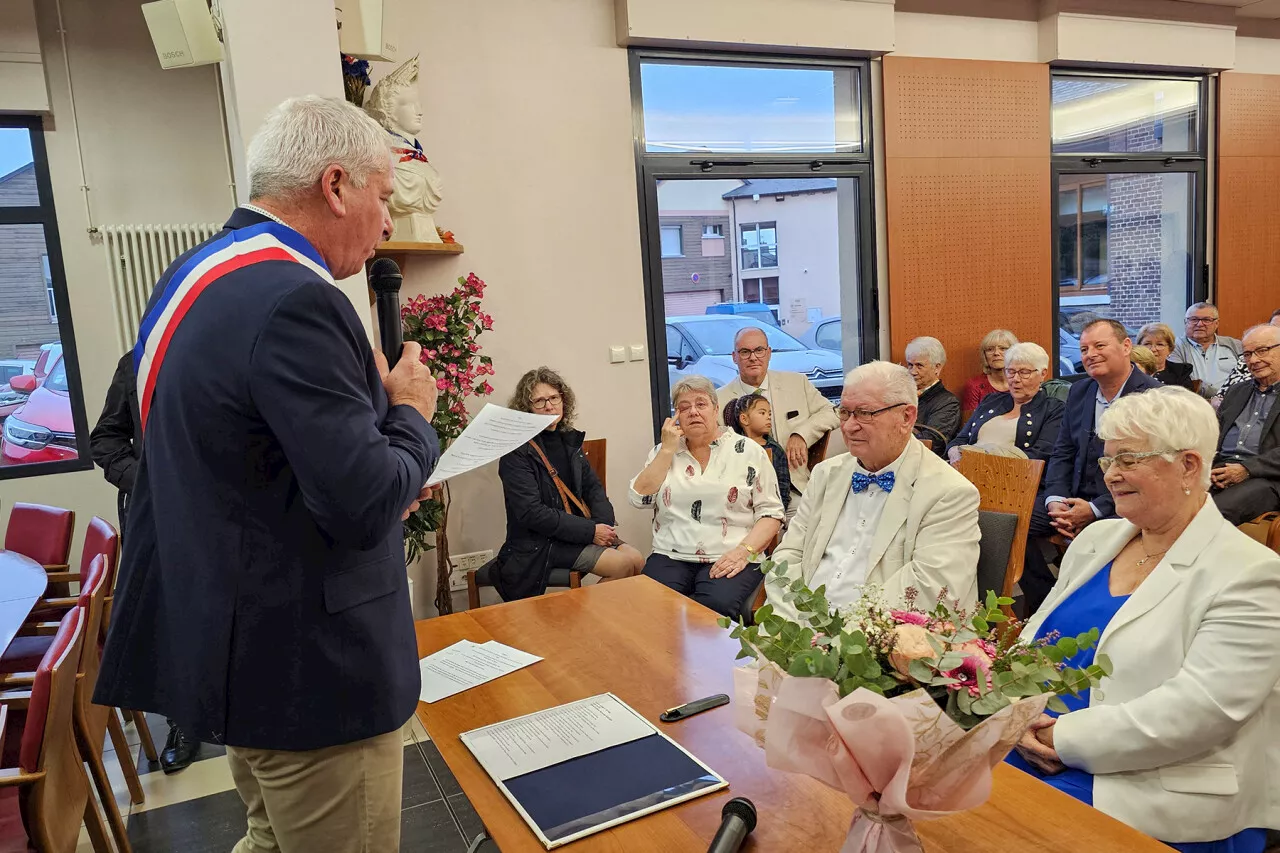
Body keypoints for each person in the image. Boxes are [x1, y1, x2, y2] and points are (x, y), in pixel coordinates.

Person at [94, 96, 441, 852]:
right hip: (312, 675)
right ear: (337, 185)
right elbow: (362, 503)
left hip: (236, 649)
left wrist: (370, 430)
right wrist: (412, 414)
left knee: (269, 836)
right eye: (384, 199)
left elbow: (253, 465)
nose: (387, 224)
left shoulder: (194, 275)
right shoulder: (297, 300)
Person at [1008, 386, 1280, 853]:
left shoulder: (1252, 574)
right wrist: (1008, 711)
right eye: (1107, 460)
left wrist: (1063, 736)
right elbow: (1032, 643)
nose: (1110, 476)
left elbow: (1200, 710)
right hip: (1034, 747)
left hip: (1157, 792)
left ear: (1189, 466)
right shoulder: (1098, 540)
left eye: (1128, 460)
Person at [767, 362, 981, 621]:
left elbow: (929, 591)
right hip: (800, 630)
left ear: (907, 417)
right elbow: (789, 557)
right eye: (844, 412)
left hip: (883, 642)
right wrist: (790, 625)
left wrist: (837, 640)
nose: (848, 427)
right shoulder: (825, 475)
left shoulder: (949, 493)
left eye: (865, 413)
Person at [89, 353, 199, 774]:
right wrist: (152, 482)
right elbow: (106, 440)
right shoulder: (136, 364)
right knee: (168, 618)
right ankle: (183, 721)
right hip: (153, 511)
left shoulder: (227, 347)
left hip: (223, 508)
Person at [1024, 319, 1160, 616]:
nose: (1090, 354)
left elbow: (1149, 470)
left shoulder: (1153, 396)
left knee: (1096, 547)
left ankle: (1091, 614)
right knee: (1009, 524)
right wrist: (1056, 500)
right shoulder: (1080, 391)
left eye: (1100, 346)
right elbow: (1062, 451)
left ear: (1126, 347)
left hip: (1121, 505)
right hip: (1070, 498)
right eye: (1084, 349)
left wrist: (1094, 509)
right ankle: (1045, 607)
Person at [630, 376, 785, 618]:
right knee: (651, 608)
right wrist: (668, 450)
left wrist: (743, 552)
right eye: (684, 407)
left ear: (715, 410)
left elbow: (771, 515)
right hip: (672, 554)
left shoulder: (748, 452)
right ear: (676, 416)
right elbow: (639, 499)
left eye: (700, 404)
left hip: (731, 553)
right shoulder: (664, 452)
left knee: (712, 611)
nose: (693, 412)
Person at [491, 368, 643, 600]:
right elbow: (532, 513)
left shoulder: (568, 439)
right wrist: (591, 532)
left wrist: (602, 525)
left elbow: (594, 489)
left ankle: (605, 623)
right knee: (620, 565)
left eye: (554, 398)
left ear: (564, 400)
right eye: (539, 401)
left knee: (637, 559)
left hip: (575, 532)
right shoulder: (517, 452)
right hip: (539, 542)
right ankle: (580, 623)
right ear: (526, 407)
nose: (549, 406)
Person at [717, 326, 840, 506]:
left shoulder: (797, 383)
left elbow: (834, 412)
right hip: (744, 496)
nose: (753, 357)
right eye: (745, 352)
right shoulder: (719, 400)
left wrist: (801, 434)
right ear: (734, 357)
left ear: (768, 353)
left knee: (812, 526)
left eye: (759, 350)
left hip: (794, 488)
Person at [947, 342, 1063, 467]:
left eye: (1024, 372)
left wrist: (979, 459)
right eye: (1011, 371)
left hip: (1010, 478)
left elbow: (1040, 455)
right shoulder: (991, 401)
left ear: (1043, 374)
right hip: (964, 470)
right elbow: (960, 439)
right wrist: (954, 453)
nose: (1015, 379)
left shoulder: (1054, 409)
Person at [1210, 324, 1280, 525]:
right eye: (1247, 354)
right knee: (1170, 501)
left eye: (1262, 351)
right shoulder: (1237, 391)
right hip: (1222, 470)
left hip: (1267, 478)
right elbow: (1214, 435)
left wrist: (1246, 469)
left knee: (1213, 514)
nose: (1254, 360)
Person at [723, 393, 791, 512]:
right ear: (744, 419)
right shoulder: (731, 448)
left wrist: (778, 514)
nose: (768, 417)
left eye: (769, 413)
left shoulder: (775, 450)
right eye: (762, 413)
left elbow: (782, 487)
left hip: (768, 510)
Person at [1169, 301, 1243, 398]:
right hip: (1193, 403)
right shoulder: (1174, 347)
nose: (1199, 324)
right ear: (1185, 322)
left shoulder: (1235, 345)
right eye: (1194, 319)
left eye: (1206, 320)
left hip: (1233, 401)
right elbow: (1179, 382)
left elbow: (1247, 376)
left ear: (1216, 324)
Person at [1212, 307, 1280, 407]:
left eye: (1262, 351)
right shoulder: (1245, 361)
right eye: (1273, 327)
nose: (1253, 360)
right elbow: (1219, 396)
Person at [904, 336, 961, 453]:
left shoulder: (948, 402)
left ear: (937, 367)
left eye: (919, 366)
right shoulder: (901, 395)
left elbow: (933, 441)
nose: (912, 372)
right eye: (910, 365)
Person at [960, 329, 1018, 417]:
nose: (996, 353)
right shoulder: (975, 386)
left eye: (1003, 348)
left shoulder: (1022, 382)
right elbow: (969, 425)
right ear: (984, 355)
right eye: (990, 349)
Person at [1136, 322, 1194, 390]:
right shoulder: (1131, 371)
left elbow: (1186, 398)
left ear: (1170, 349)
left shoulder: (1181, 372)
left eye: (1159, 344)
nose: (1153, 349)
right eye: (1147, 344)